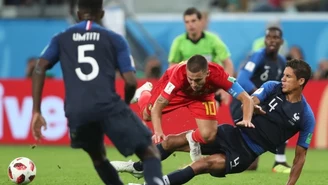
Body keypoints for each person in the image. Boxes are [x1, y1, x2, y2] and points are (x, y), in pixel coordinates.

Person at [117, 59, 315, 185]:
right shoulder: (273, 87)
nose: (283, 79)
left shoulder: (306, 116)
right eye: (284, 75)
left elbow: (300, 157)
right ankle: (139, 168)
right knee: (170, 141)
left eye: (288, 77)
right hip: (232, 133)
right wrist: (249, 113)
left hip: (247, 152)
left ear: (301, 81)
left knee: (203, 165)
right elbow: (252, 99)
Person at [30, 0, 164, 185]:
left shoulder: (61, 38)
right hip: (108, 105)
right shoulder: (115, 39)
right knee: (150, 152)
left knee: (98, 157)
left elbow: (40, 67)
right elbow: (131, 81)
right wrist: (124, 105)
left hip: (76, 111)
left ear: (78, 14)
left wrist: (36, 111)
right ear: (102, 13)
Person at [129, 54, 254, 162]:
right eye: (190, 79)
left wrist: (247, 119)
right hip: (179, 93)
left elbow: (246, 98)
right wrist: (158, 131)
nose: (194, 84)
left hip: (203, 96)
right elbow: (158, 106)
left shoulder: (218, 74)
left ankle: (192, 138)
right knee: (147, 115)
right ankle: (144, 93)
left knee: (208, 135)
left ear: (207, 73)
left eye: (198, 80)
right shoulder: (178, 75)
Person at [230, 26, 289, 172]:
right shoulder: (258, 56)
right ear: (265, 40)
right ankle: (223, 154)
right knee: (249, 164)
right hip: (243, 105)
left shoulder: (281, 62)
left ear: (281, 41)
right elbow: (242, 79)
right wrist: (260, 95)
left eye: (275, 38)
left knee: (285, 116)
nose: (272, 41)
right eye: (269, 37)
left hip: (260, 107)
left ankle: (280, 161)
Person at [168, 7, 235, 105]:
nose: (190, 25)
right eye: (187, 22)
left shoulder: (213, 40)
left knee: (211, 110)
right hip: (189, 87)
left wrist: (225, 87)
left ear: (200, 21)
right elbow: (173, 67)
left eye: (193, 21)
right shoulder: (178, 42)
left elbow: (228, 63)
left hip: (211, 86)